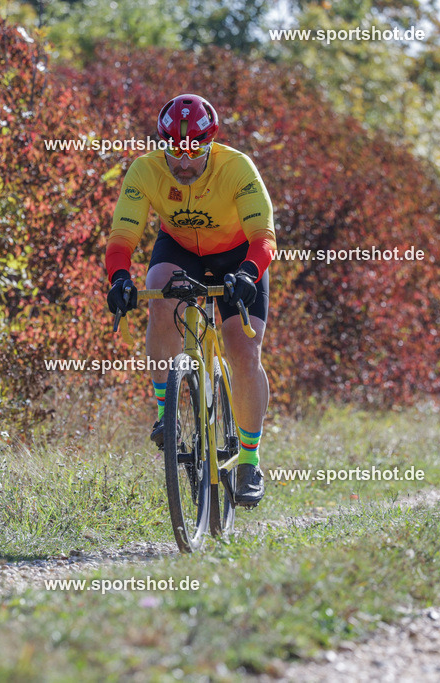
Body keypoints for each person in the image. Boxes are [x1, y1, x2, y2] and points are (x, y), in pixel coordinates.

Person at [105, 94, 277, 506]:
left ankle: (250, 461)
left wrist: (249, 275)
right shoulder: (145, 171)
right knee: (158, 292)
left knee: (243, 348)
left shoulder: (236, 168)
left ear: (210, 143)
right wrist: (119, 279)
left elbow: (264, 237)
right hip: (180, 250)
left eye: (194, 152)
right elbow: (121, 239)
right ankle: (166, 411)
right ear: (161, 142)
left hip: (238, 257)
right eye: (174, 152)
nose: (182, 164)